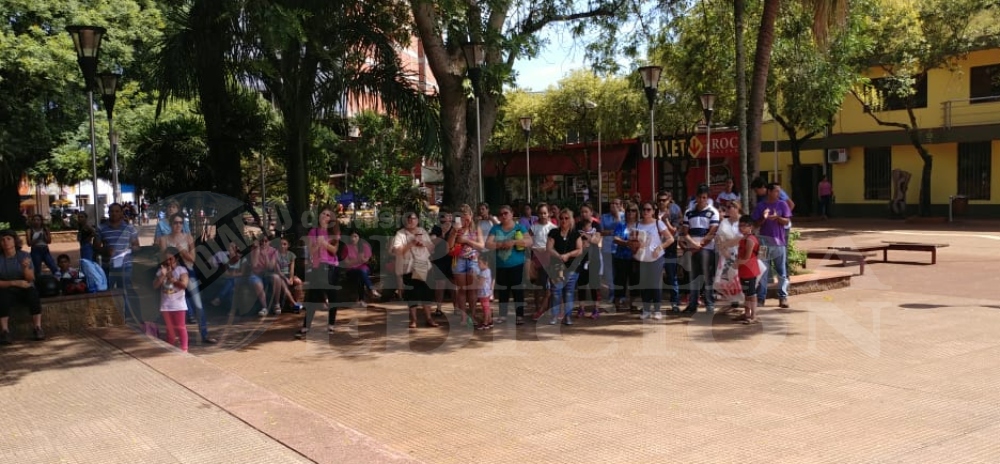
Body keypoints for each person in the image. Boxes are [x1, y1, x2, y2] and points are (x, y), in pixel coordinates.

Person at [159, 212, 217, 344]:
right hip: (172, 274)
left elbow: (192, 259)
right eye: (175, 222)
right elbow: (164, 258)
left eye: (181, 223)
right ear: (171, 224)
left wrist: (181, 251)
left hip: (188, 273)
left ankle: (204, 334)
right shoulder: (164, 239)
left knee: (198, 304)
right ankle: (174, 335)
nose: (178, 225)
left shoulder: (188, 238)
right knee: (173, 303)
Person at [297, 206, 341, 338]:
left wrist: (325, 244)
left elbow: (334, 250)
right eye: (323, 213)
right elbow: (310, 251)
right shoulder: (313, 232)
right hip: (317, 266)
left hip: (331, 266)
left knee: (333, 295)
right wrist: (317, 244)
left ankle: (331, 324)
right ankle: (306, 326)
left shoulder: (334, 232)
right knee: (312, 295)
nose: (325, 216)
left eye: (328, 215)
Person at [391, 211, 440, 329]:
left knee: (426, 293)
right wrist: (411, 243)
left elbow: (432, 248)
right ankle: (413, 319)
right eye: (409, 219)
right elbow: (397, 251)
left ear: (417, 220)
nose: (411, 221)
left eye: (413, 219)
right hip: (409, 267)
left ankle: (429, 318)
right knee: (412, 294)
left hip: (424, 266)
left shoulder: (422, 231)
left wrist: (424, 243)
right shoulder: (400, 234)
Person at [486, 204, 532, 325]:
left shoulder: (519, 228)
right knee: (502, 291)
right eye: (501, 214)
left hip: (517, 265)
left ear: (512, 214)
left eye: (506, 213)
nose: (503, 216)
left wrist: (514, 242)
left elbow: (529, 241)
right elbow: (488, 244)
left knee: (518, 291)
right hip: (501, 265)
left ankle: (520, 316)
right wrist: (501, 244)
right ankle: (502, 315)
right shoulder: (495, 228)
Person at [95, 203, 141, 323]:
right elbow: (96, 247)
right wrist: (105, 250)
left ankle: (129, 317)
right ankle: (109, 317)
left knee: (126, 290)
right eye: (112, 211)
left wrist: (128, 250)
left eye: (117, 211)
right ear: (108, 213)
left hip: (125, 265)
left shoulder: (130, 228)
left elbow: (137, 246)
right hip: (108, 265)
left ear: (121, 213)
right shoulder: (101, 228)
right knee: (106, 291)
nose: (114, 214)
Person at [679, 185, 720, 314]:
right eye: (700, 197)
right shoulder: (688, 212)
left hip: (707, 249)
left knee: (707, 276)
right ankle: (692, 304)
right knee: (693, 277)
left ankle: (709, 304)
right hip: (692, 248)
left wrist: (700, 245)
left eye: (704, 197)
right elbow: (685, 232)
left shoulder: (713, 212)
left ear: (707, 198)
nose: (702, 200)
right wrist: (693, 244)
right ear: (696, 197)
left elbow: (712, 232)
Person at [0, 229, 44, 343]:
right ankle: (5, 331)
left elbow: (30, 279)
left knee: (33, 293)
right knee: (2, 296)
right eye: (2, 240)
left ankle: (37, 328)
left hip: (24, 288)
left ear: (15, 241)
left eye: (8, 239)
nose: (5, 242)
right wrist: (14, 283)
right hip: (7, 289)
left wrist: (25, 268)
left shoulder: (24, 255)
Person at [753, 183, 793, 309]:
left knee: (781, 271)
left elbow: (787, 221)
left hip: (779, 243)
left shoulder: (782, 204)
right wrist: (763, 217)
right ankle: (761, 298)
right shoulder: (761, 206)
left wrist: (778, 218)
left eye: (779, 191)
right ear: (769, 192)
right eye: (776, 191)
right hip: (764, 243)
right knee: (763, 271)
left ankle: (783, 297)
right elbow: (755, 224)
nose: (778, 194)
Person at [631, 201, 673, 319]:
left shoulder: (658, 223)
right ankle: (646, 310)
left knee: (655, 284)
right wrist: (635, 245)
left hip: (656, 258)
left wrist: (659, 248)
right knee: (644, 284)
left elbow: (670, 239)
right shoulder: (637, 224)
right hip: (642, 258)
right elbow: (633, 240)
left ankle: (657, 310)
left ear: (653, 211)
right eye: (644, 209)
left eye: (648, 209)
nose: (646, 212)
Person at [448, 204, 484, 327]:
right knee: (462, 290)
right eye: (463, 219)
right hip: (459, 260)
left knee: (472, 290)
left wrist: (466, 241)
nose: (465, 221)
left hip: (473, 260)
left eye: (467, 218)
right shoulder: (455, 229)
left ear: (471, 216)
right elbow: (449, 247)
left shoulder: (476, 228)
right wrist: (454, 231)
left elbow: (481, 246)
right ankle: (463, 317)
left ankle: (472, 316)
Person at [546, 208, 583, 325]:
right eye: (561, 218)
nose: (564, 220)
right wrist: (559, 256)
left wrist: (568, 255)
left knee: (569, 292)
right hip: (556, 267)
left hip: (572, 267)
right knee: (556, 292)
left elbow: (580, 250)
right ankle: (554, 316)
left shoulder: (575, 234)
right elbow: (549, 248)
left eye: (566, 218)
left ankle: (568, 317)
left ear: (571, 219)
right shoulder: (553, 232)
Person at [154, 247, 189, 352]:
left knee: (180, 327)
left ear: (176, 259)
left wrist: (171, 278)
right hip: (166, 305)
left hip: (178, 305)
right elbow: (155, 286)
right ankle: (170, 349)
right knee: (169, 329)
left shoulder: (181, 270)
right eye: (166, 259)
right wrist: (162, 276)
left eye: (171, 259)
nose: (168, 261)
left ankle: (184, 349)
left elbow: (184, 285)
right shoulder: (161, 271)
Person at [714, 202, 745, 309]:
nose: (729, 210)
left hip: (740, 252)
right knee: (728, 277)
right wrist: (723, 251)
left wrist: (728, 244)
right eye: (728, 208)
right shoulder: (724, 222)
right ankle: (734, 299)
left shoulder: (743, 221)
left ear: (737, 208)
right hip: (726, 253)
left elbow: (742, 237)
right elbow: (718, 238)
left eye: (731, 207)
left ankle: (745, 299)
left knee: (740, 276)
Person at [528, 203, 556, 320]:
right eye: (541, 213)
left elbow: (556, 243)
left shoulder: (553, 228)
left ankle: (546, 309)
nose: (543, 215)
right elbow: (528, 241)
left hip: (549, 259)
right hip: (536, 259)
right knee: (537, 286)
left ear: (549, 213)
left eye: (545, 213)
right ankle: (538, 308)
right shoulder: (534, 227)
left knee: (548, 286)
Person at [575, 203, 602, 319]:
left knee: (594, 284)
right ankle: (581, 308)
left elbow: (597, 240)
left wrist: (586, 236)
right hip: (580, 259)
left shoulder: (596, 225)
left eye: (586, 212)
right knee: (581, 284)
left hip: (594, 258)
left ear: (591, 212)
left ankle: (596, 309)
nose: (584, 214)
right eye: (582, 212)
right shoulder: (577, 226)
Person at [657, 192, 683, 311]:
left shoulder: (673, 213)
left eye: (664, 200)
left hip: (670, 248)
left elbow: (674, 231)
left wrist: (666, 221)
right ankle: (656, 302)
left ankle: (675, 303)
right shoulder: (653, 213)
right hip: (656, 248)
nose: (661, 202)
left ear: (669, 201)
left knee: (672, 275)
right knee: (655, 277)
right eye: (659, 200)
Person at [612, 202, 640, 312]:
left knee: (635, 281)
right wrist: (626, 243)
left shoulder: (640, 226)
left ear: (637, 212)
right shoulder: (621, 225)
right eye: (628, 211)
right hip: (621, 257)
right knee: (620, 281)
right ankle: (617, 303)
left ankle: (633, 304)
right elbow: (615, 238)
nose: (630, 213)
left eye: (633, 211)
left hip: (635, 258)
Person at [340, 228, 379, 307]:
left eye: (355, 236)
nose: (353, 239)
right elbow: (346, 263)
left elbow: (366, 260)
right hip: (351, 270)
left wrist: (356, 261)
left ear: (359, 237)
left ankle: (361, 299)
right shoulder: (346, 247)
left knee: (361, 272)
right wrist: (358, 260)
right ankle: (370, 290)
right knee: (360, 274)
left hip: (364, 268)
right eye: (352, 236)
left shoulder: (364, 246)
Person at [734, 215, 761, 324]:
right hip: (743, 270)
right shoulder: (743, 239)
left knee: (751, 294)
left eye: (744, 226)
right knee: (747, 293)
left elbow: (747, 258)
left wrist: (735, 264)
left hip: (749, 270)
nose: (741, 228)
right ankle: (747, 314)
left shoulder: (750, 240)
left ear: (750, 227)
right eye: (740, 226)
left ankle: (753, 315)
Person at [429, 209, 455, 317]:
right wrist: (442, 235)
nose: (449, 218)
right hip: (439, 259)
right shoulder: (436, 228)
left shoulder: (455, 228)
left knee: (453, 285)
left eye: (450, 215)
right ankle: (438, 308)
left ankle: (457, 308)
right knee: (440, 285)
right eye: (446, 216)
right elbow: (432, 242)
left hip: (452, 259)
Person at [600, 198, 625, 308]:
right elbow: (601, 231)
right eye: (612, 203)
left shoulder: (624, 216)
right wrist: (613, 232)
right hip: (607, 248)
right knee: (609, 273)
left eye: (616, 203)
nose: (614, 205)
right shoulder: (604, 217)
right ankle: (612, 294)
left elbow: (623, 230)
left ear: (621, 205)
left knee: (620, 273)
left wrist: (618, 216)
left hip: (620, 248)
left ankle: (621, 295)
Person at [275, 237, 304, 313]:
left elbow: (292, 268)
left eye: (285, 244)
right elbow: (277, 270)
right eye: (281, 244)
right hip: (280, 275)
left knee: (298, 281)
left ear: (288, 245)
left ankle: (295, 302)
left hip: (288, 274)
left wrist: (291, 278)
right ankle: (294, 304)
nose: (282, 246)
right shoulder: (275, 255)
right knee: (283, 282)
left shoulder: (291, 255)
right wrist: (286, 279)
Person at [473, 253, 493, 329]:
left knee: (485, 308)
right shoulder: (487, 271)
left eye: (480, 263)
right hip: (486, 292)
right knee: (487, 307)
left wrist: (474, 277)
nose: (478, 265)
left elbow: (480, 284)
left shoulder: (484, 272)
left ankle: (485, 322)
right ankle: (489, 321)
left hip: (484, 293)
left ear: (486, 263)